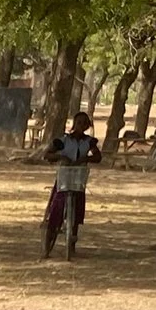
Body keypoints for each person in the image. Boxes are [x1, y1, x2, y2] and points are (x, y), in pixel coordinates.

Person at [43, 110, 101, 260]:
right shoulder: (63, 140)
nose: (81, 126)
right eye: (79, 122)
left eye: (84, 123)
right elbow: (47, 154)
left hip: (78, 179)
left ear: (87, 126)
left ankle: (72, 244)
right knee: (56, 210)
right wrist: (60, 156)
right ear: (74, 124)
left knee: (76, 213)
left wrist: (85, 159)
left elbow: (97, 156)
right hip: (64, 179)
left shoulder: (89, 142)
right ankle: (47, 246)